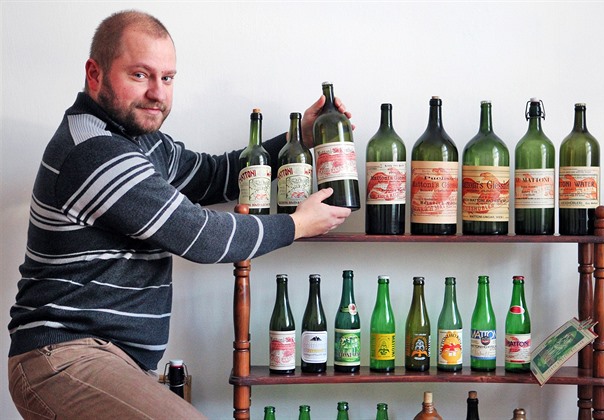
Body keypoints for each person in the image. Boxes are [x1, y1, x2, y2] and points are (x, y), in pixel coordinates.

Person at [7, 9, 352, 419]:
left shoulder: (141, 142)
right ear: (94, 74)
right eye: (140, 75)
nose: (158, 93)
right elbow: (199, 235)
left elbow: (215, 175)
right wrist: (296, 225)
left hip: (104, 359)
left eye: (168, 78)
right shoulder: (94, 150)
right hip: (64, 359)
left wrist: (301, 137)